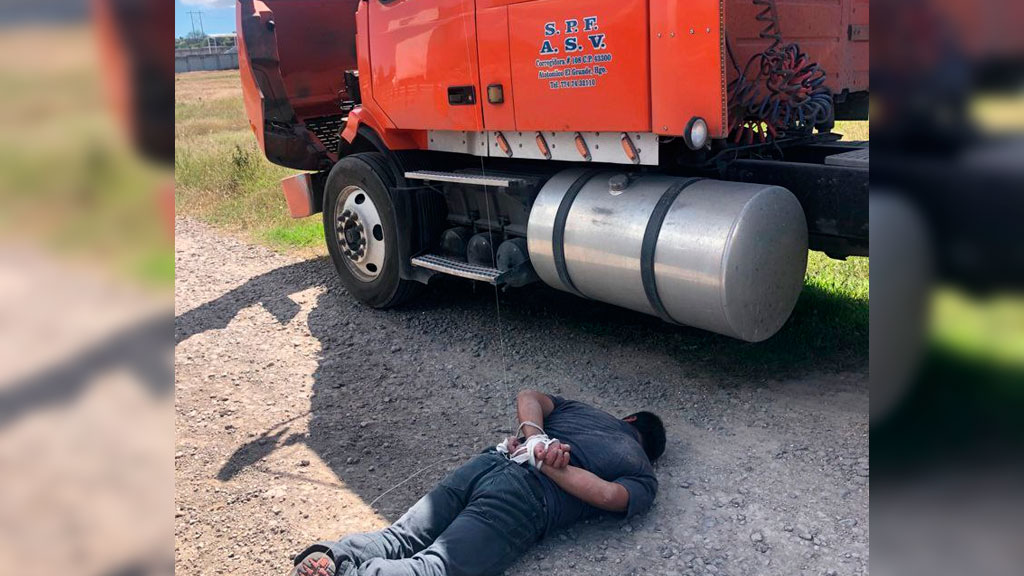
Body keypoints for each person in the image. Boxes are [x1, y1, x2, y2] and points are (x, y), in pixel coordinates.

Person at [289, 389, 666, 576]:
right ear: (649, 450)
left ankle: (333, 554)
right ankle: (340, 574)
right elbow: (608, 495)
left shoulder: (584, 410)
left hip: (492, 459)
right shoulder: (643, 473)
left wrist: (534, 439)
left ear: (629, 419)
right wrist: (548, 461)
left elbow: (528, 395)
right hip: (524, 499)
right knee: (436, 567)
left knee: (401, 537)